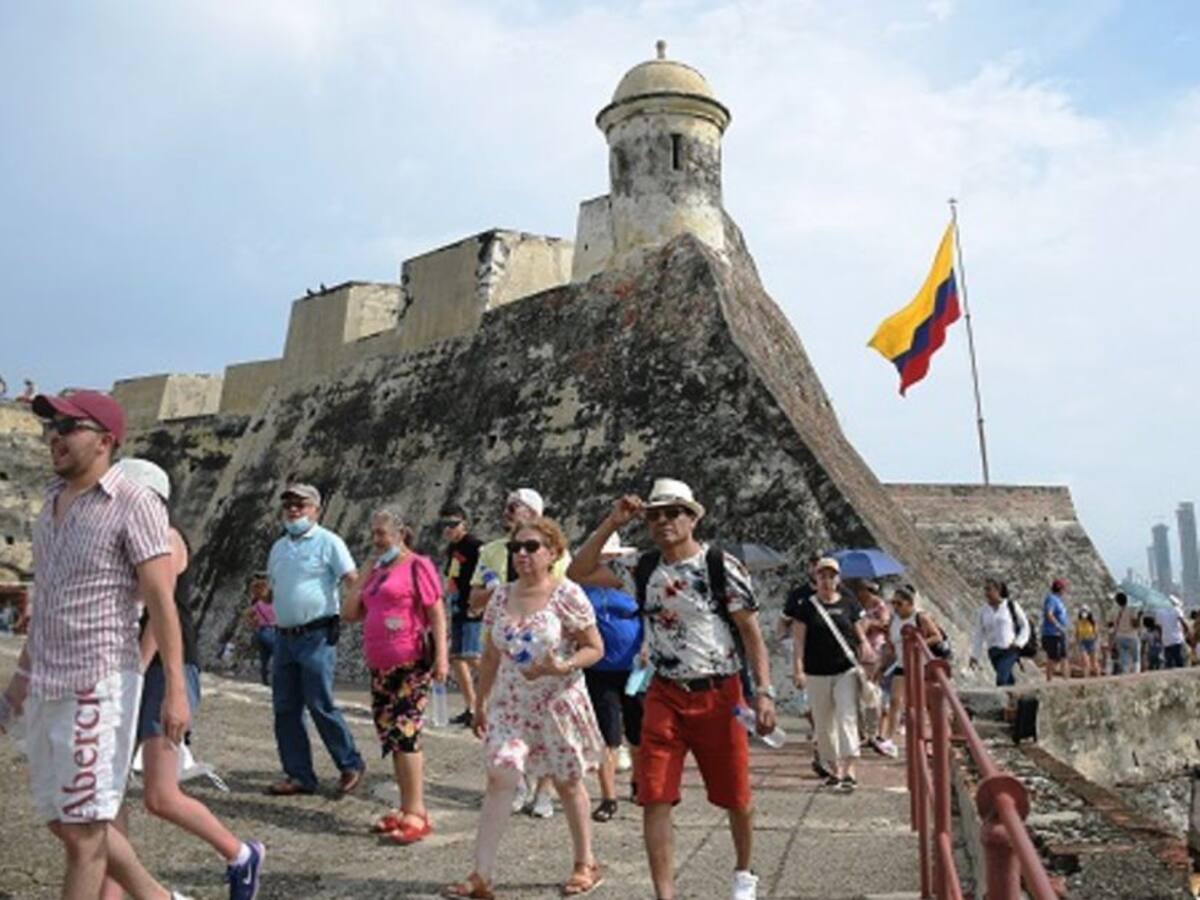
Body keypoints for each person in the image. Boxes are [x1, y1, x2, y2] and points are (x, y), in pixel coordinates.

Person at [0, 390, 193, 899]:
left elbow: (161, 600)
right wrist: (17, 687)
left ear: (105, 441)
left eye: (68, 426)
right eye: (51, 426)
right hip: (47, 682)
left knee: (84, 835)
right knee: (62, 819)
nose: (54, 436)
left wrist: (175, 687)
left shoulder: (135, 503)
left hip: (99, 682)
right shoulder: (49, 504)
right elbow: (48, 604)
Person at [568, 478, 777, 900]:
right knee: (654, 795)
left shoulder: (721, 565)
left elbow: (751, 634)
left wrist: (765, 692)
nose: (662, 521)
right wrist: (613, 521)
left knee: (736, 796)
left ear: (692, 518)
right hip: (664, 692)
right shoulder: (642, 566)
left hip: (720, 692)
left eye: (672, 512)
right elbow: (578, 570)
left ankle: (743, 872)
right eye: (654, 515)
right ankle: (666, 895)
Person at [101, 458, 264, 900]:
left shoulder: (168, 540)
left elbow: (160, 612)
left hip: (161, 669)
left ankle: (240, 853)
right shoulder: (130, 541)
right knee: (108, 794)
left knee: (160, 794)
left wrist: (134, 672)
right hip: (133, 668)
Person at [444, 517, 606, 899]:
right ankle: (481, 875)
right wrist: (479, 704)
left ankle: (586, 863)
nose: (522, 554)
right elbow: (490, 654)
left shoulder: (567, 594)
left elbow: (594, 647)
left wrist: (562, 665)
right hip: (511, 705)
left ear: (552, 553)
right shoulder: (500, 596)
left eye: (532, 547)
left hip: (557, 703)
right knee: (501, 775)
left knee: (568, 783)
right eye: (517, 547)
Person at [342, 509, 449, 845]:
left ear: (401, 533)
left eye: (382, 533)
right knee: (391, 736)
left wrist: (442, 658)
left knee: (406, 733)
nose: (377, 540)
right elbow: (349, 613)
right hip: (380, 665)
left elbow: (436, 613)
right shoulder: (377, 571)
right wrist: (364, 576)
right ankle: (405, 808)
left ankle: (417, 810)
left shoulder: (418, 565)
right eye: (373, 533)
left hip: (411, 662)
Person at [468, 488, 568, 819]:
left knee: (547, 726)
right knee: (509, 724)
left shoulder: (558, 555)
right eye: (508, 507)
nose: (509, 512)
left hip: (543, 652)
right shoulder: (492, 551)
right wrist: (495, 591)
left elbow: (565, 597)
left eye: (517, 507)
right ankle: (519, 784)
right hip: (503, 648)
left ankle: (545, 791)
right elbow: (473, 599)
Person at [264, 483, 366, 796]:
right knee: (285, 707)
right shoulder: (279, 547)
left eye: (301, 505)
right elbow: (273, 587)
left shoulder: (328, 542)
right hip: (284, 637)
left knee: (320, 703)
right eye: (289, 505)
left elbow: (353, 580)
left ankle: (350, 763)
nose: (294, 510)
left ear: (316, 510)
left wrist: (359, 614)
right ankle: (299, 774)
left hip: (317, 635)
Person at [791, 557, 876, 791]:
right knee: (823, 721)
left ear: (838, 579)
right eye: (822, 576)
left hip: (844, 670)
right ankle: (833, 769)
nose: (827, 581)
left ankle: (850, 769)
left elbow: (860, 632)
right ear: (815, 579)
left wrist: (866, 648)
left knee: (846, 715)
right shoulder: (806, 607)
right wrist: (798, 670)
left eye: (831, 576)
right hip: (816, 671)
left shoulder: (849, 602)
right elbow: (799, 642)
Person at [580, 531, 644, 822]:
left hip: (635, 668)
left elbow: (650, 615)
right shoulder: (579, 584)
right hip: (599, 670)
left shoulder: (632, 580)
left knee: (638, 731)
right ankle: (608, 797)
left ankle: (638, 784)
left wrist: (646, 648)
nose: (605, 560)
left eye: (609, 555)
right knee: (608, 735)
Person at [874, 584, 945, 757]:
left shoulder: (920, 617)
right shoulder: (894, 619)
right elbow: (891, 644)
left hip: (921, 665)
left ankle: (929, 742)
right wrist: (882, 665)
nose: (895, 607)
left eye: (899, 603)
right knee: (895, 701)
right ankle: (889, 740)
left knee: (922, 704)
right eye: (893, 603)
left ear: (909, 603)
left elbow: (937, 636)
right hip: (902, 664)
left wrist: (918, 644)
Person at [441, 504, 483, 727]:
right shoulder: (452, 548)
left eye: (453, 524)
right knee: (457, 658)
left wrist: (479, 604)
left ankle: (497, 694)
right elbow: (451, 579)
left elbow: (487, 574)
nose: (448, 529)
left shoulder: (475, 546)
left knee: (472, 655)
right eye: (445, 525)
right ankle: (472, 707)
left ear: (464, 524)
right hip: (457, 606)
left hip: (472, 606)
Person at [969, 578, 1030, 687]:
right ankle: (1014, 700)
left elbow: (1025, 625)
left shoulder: (1010, 606)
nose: (986, 593)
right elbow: (979, 634)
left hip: (1010, 649)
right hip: (994, 651)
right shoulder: (983, 611)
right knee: (1008, 680)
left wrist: (1019, 642)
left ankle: (1004, 700)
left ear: (998, 590)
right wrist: (975, 655)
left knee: (1001, 679)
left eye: (989, 589)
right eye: (985, 590)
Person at [245, 573, 277, 686]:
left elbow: (248, 615)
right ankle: (276, 679)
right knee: (278, 655)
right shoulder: (274, 604)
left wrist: (254, 624)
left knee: (264, 658)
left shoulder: (257, 605)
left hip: (261, 632)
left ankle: (265, 680)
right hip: (273, 631)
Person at [1041, 579, 1070, 681]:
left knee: (1063, 656)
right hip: (1052, 634)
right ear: (1060, 588)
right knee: (1053, 658)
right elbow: (1049, 614)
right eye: (1064, 588)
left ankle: (1066, 680)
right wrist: (1058, 625)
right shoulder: (1051, 599)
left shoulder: (1058, 600)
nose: (1066, 590)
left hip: (1059, 633)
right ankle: (1049, 681)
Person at [1156, 598, 1191, 669]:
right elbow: (1184, 624)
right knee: (1179, 661)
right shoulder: (1177, 610)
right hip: (1177, 639)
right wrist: (1186, 634)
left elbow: (1159, 628)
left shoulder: (1159, 612)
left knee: (1169, 662)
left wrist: (1161, 638)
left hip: (1166, 640)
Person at [1111, 592, 1141, 675]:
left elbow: (1113, 624)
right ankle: (1136, 673)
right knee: (1135, 657)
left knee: (1124, 657)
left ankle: (1125, 672)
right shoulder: (1132, 610)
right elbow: (1135, 625)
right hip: (1131, 636)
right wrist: (1139, 617)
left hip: (1120, 636)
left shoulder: (1115, 612)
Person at [1075, 606, 1100, 677]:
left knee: (1094, 663)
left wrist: (1095, 641)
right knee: (1086, 662)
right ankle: (1086, 680)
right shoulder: (1078, 622)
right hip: (1083, 642)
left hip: (1092, 642)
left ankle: (1099, 679)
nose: (1084, 613)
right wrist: (1077, 642)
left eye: (1085, 611)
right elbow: (1076, 634)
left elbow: (1096, 634)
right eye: (1082, 611)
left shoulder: (1092, 622)